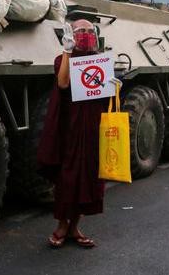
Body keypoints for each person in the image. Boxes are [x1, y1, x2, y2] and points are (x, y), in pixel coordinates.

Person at [37, 18, 117, 249]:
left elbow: (103, 94)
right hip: (69, 129)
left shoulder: (99, 60)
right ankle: (62, 226)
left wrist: (113, 84)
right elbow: (62, 83)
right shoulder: (64, 59)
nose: (87, 34)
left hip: (93, 128)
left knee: (89, 177)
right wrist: (67, 51)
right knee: (67, 177)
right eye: (81, 30)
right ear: (71, 34)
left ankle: (75, 228)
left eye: (90, 30)